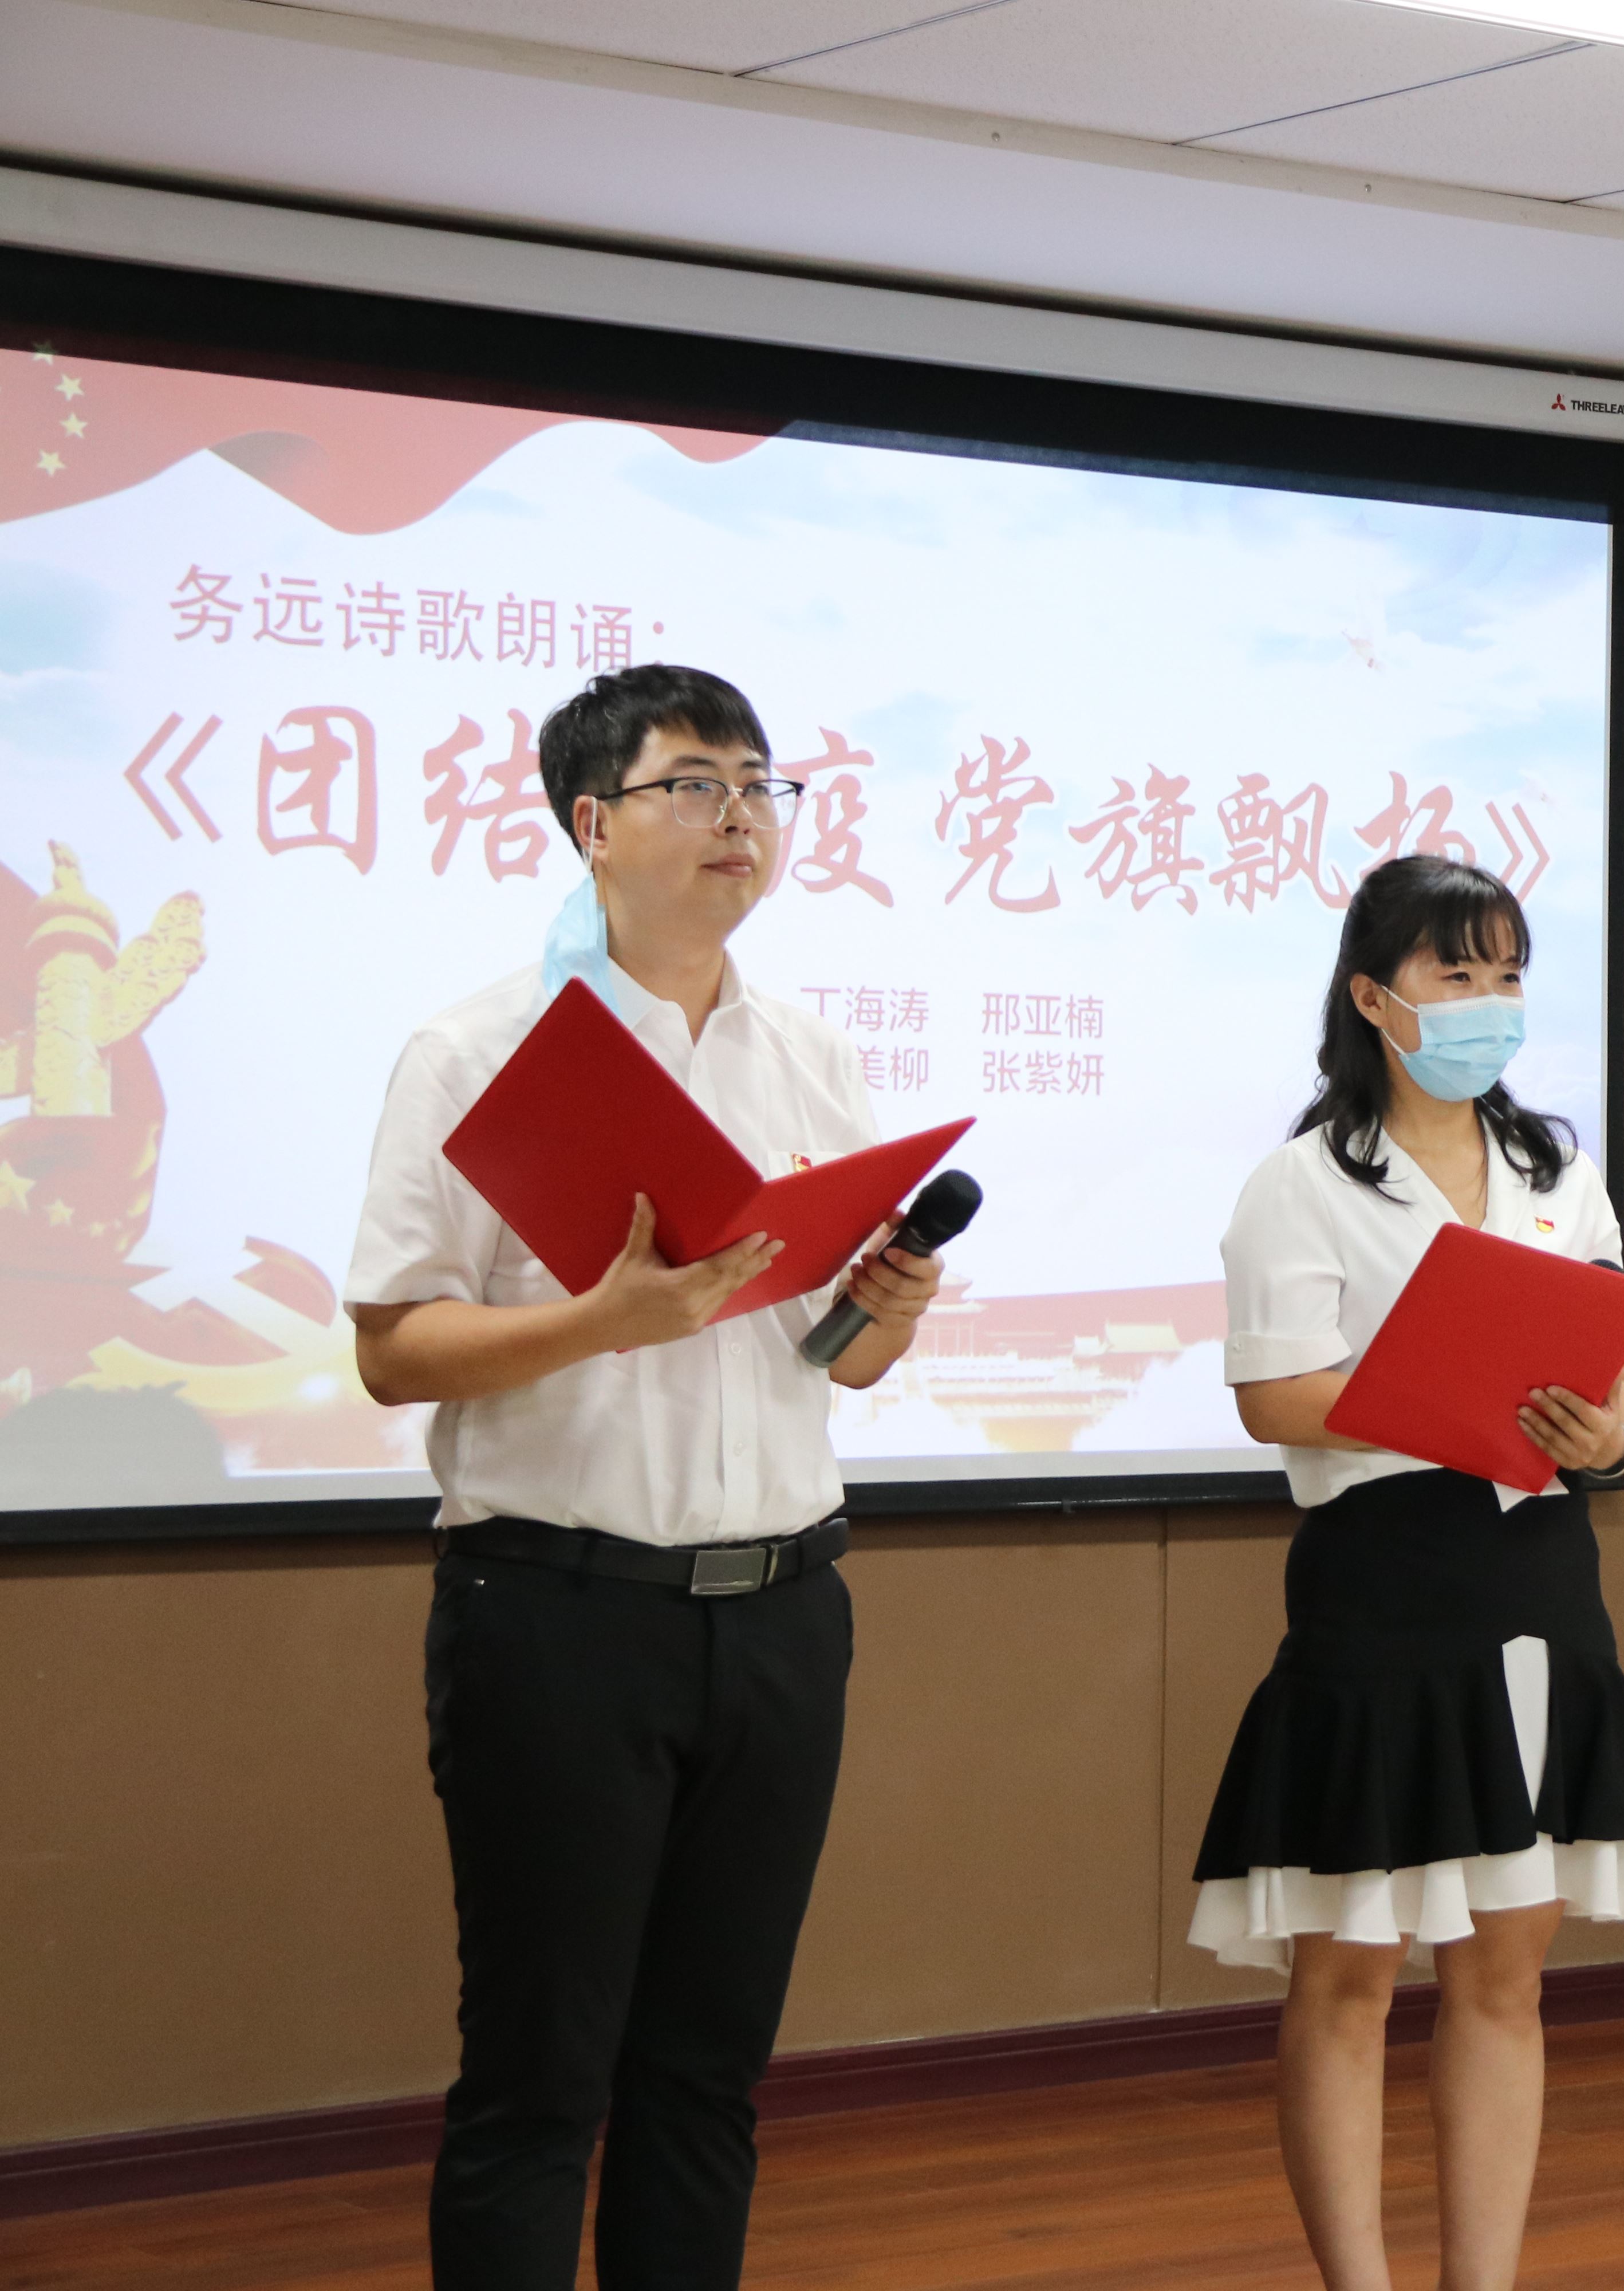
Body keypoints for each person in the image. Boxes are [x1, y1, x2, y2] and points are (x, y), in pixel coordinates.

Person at [345, 664, 949, 2289]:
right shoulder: (477, 1051)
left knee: (706, 2075)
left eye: (760, 785)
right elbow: (393, 1348)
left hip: (783, 1616)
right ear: (592, 823)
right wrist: (599, 1320)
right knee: (540, 2080)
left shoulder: (810, 1055)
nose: (740, 815)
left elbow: (835, 1365)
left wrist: (885, 1309)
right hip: (560, 1614)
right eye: (695, 783)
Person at [1191, 852, 1624, 2291]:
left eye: (1507, 973)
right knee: (1348, 1973)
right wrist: (1439, 1400)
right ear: (1373, 996)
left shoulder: (1558, 1174)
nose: (1487, 1001)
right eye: (1455, 972)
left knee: (1504, 1975)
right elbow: (1275, 1397)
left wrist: (1604, 1431)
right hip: (1381, 1581)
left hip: (1537, 1580)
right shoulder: (1300, 1182)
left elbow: (1616, 1388)